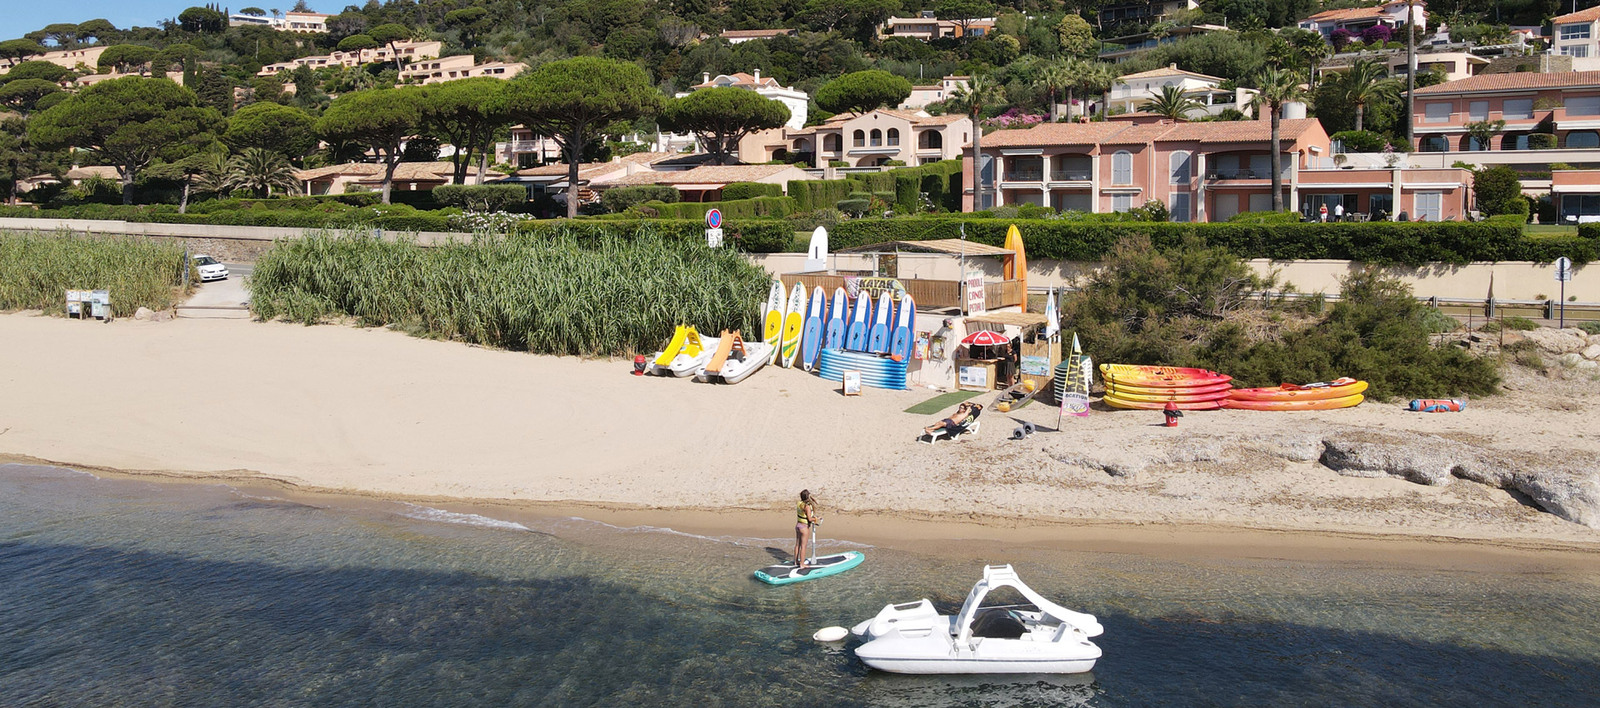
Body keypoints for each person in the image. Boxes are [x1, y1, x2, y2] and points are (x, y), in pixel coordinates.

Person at [794, 490, 818, 568]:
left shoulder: (799, 503)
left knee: (797, 544)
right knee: (803, 546)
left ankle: (796, 561)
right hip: (804, 528)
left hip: (798, 525)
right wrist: (816, 519)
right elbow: (809, 519)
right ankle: (802, 564)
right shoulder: (807, 506)